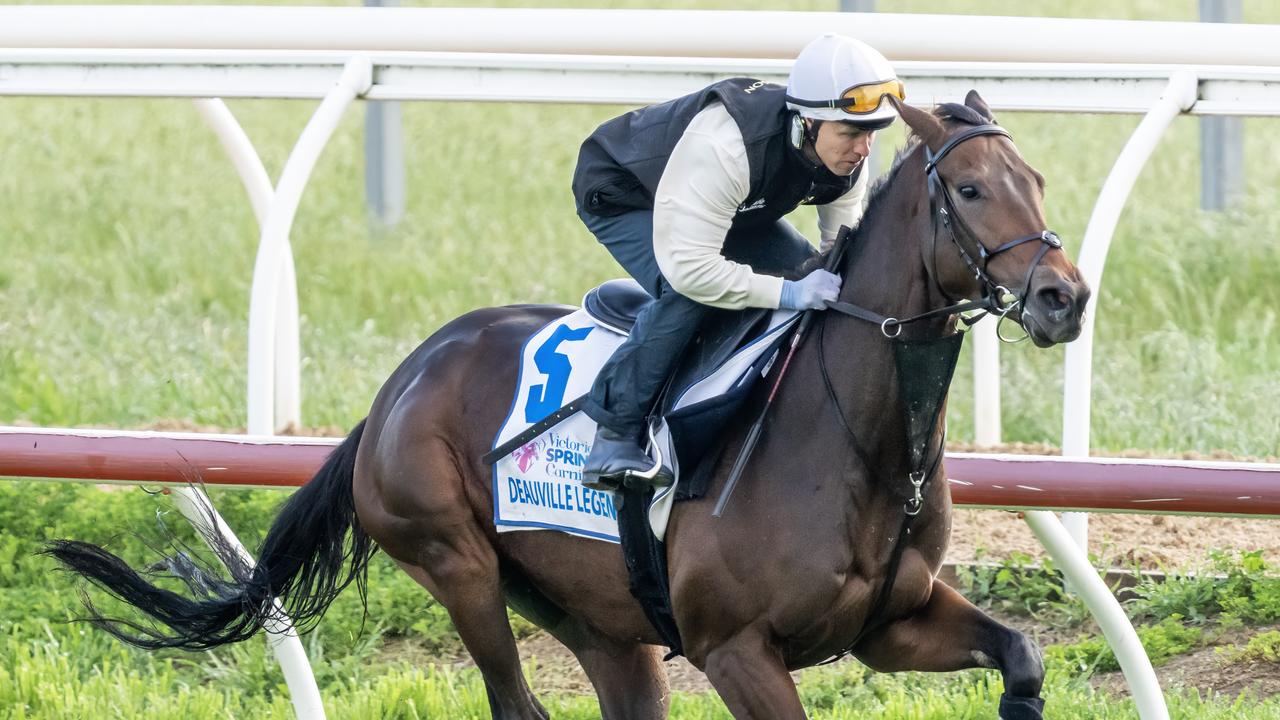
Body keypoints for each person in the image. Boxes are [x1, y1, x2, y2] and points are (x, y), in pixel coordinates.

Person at [571, 33, 904, 491]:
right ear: (807, 122)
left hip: (729, 206)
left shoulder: (847, 157)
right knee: (689, 297)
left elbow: (838, 255)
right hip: (627, 195)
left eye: (870, 133)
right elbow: (690, 270)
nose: (863, 149)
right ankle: (615, 436)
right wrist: (787, 292)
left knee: (812, 273)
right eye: (850, 133)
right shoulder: (725, 145)